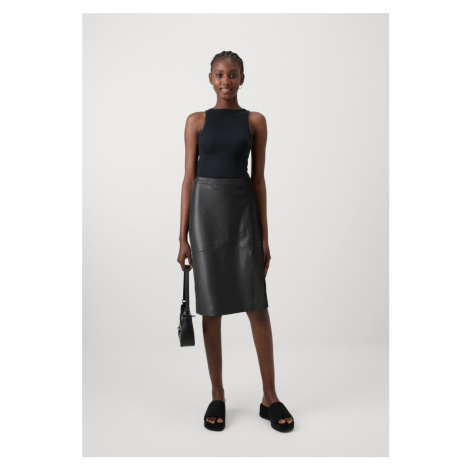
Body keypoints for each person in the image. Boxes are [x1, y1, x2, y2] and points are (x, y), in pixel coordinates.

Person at [177, 51, 294, 432]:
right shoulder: (196, 121)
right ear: (209, 78)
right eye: (219, 74)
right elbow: (188, 180)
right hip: (205, 216)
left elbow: (258, 180)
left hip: (243, 214)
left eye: (232, 74)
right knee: (211, 309)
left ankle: (269, 397)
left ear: (243, 78)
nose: (225, 81)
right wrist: (182, 236)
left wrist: (264, 236)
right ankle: (218, 395)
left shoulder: (255, 121)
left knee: (256, 306)